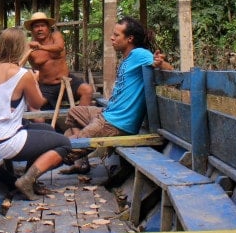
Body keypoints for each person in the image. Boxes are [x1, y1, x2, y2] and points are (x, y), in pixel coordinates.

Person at [59, 16, 174, 174]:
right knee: (74, 112)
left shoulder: (140, 54)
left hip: (117, 123)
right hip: (107, 114)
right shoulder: (127, 58)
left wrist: (161, 63)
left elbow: (168, 69)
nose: (112, 38)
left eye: (117, 35)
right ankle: (81, 157)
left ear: (129, 39)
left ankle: (39, 168)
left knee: (67, 144)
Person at [0, 27, 74, 200]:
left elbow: (8, 72)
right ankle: (27, 180)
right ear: (21, 47)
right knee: (64, 144)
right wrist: (34, 81)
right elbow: (37, 103)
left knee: (48, 131)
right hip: (3, 142)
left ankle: (29, 179)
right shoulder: (23, 75)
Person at [23, 11, 95, 109]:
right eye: (36, 26)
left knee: (87, 90)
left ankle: (77, 120)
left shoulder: (56, 36)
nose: (40, 29)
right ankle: (43, 125)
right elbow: (18, 64)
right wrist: (27, 49)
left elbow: (59, 47)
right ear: (32, 30)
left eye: (42, 25)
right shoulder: (29, 47)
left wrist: (40, 47)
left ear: (48, 28)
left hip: (66, 81)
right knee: (33, 106)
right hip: (46, 86)